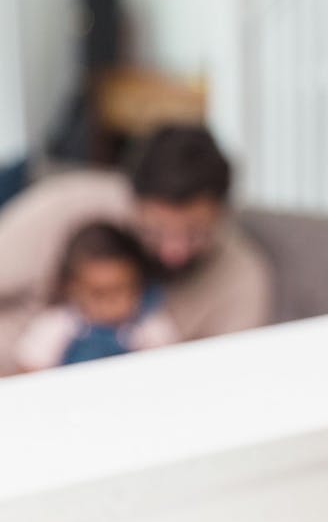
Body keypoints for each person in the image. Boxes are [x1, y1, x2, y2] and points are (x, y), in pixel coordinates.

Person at [0, 124, 272, 377]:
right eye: (156, 231)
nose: (173, 252)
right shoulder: (67, 207)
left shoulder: (242, 279)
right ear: (131, 201)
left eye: (195, 234)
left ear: (224, 213)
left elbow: (229, 379)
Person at [14, 221, 178, 372]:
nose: (111, 303)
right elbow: (29, 373)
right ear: (72, 289)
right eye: (99, 294)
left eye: (121, 290)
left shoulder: (150, 327)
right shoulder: (54, 327)